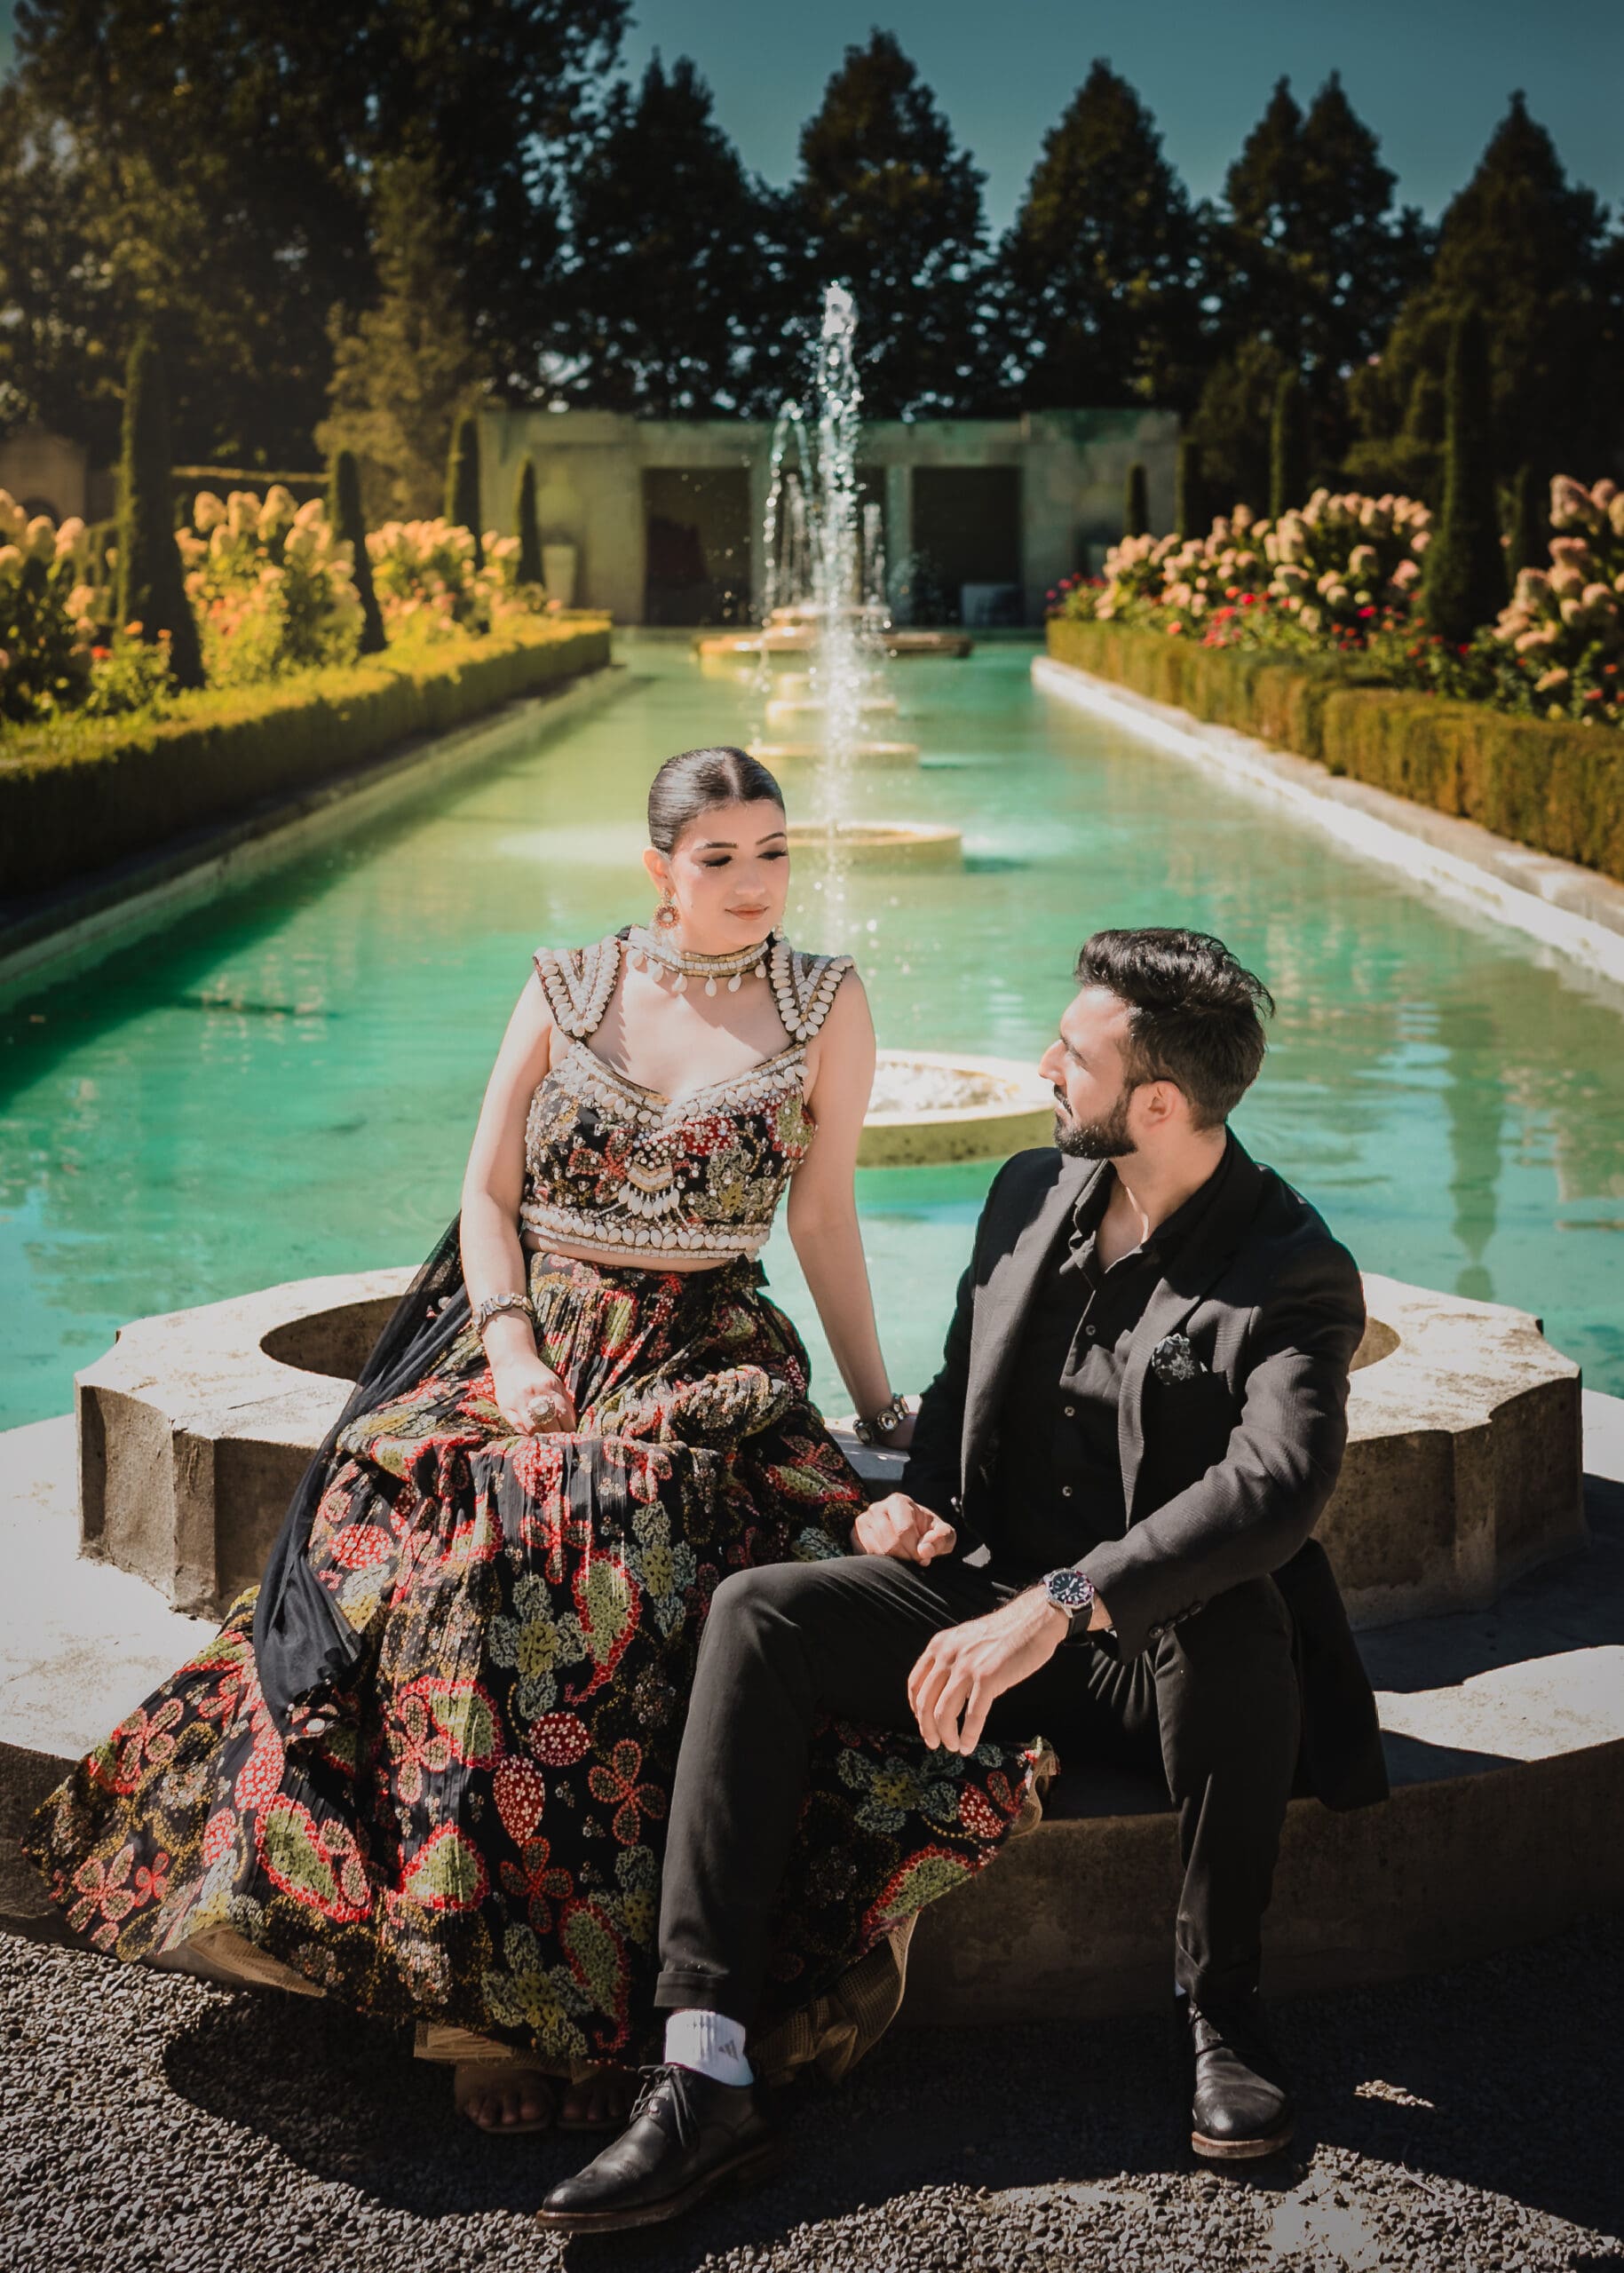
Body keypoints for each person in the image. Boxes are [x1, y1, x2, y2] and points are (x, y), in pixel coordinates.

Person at [25, 747, 1042, 2140]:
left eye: (772, 852)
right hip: (533, 1330)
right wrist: (506, 1347)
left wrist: (874, 1409)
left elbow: (820, 1218)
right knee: (460, 1560)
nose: (752, 884)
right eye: (719, 858)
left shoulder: (827, 997)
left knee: (628, 1542)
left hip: (704, 1352)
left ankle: (603, 2003)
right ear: (658, 870)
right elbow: (486, 1185)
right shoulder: (568, 981)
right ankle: (472, 2008)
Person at [540, 925, 1389, 2233]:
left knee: (1232, 1603)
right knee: (759, 1613)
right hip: (985, 1606)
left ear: (1155, 1104)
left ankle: (1220, 2010)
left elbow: (1271, 1489)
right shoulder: (1028, 1189)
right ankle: (703, 2064)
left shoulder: (1288, 1268)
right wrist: (923, 1504)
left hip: (1147, 1665)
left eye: (1073, 1053)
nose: (1041, 1062)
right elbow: (964, 1389)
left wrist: (1059, 1607)